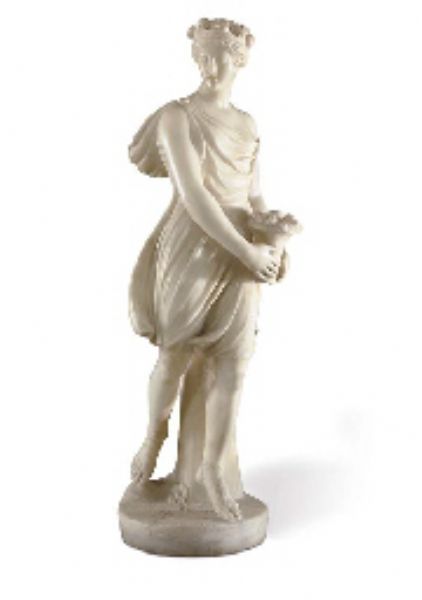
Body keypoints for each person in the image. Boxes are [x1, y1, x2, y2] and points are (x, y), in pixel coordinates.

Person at [128, 18, 287, 521]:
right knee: (174, 354)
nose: (207, 64)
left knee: (233, 363)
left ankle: (213, 470)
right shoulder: (177, 117)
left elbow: (253, 197)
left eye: (217, 54)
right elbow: (195, 196)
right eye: (201, 54)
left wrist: (273, 244)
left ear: (238, 59)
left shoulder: (248, 125)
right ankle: (154, 435)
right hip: (192, 249)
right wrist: (248, 252)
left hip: (241, 252)